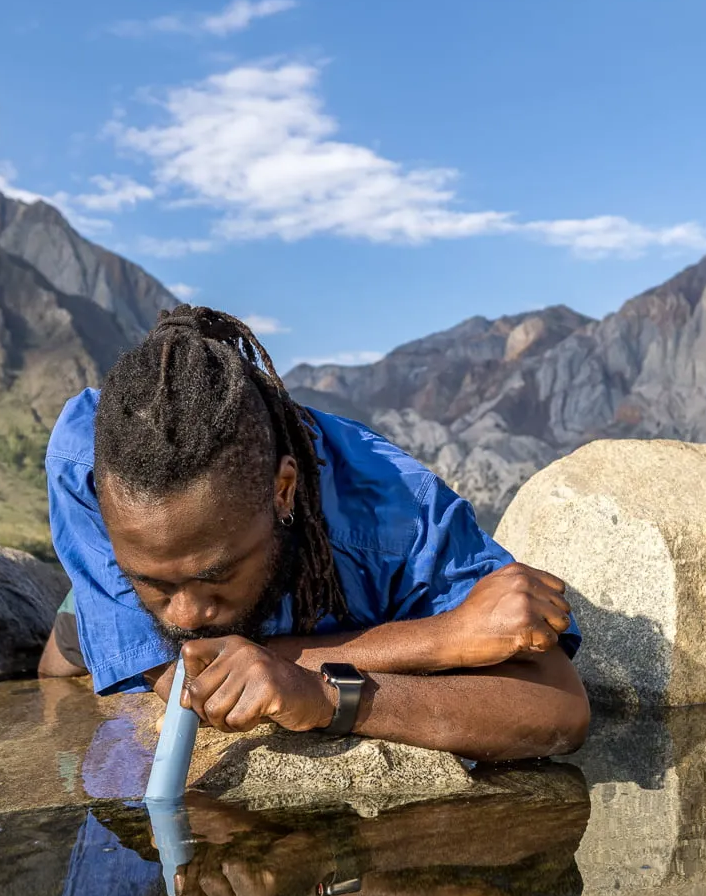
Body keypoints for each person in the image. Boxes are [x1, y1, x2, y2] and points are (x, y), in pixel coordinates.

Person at [39, 305, 589, 762]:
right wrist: (444, 637)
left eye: (217, 575)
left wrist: (325, 699)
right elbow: (183, 675)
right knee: (56, 670)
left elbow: (560, 710)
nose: (183, 616)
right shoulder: (86, 462)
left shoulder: (399, 514)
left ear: (283, 490)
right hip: (98, 598)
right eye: (156, 581)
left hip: (310, 599)